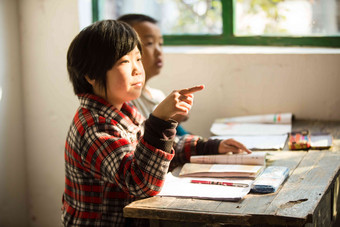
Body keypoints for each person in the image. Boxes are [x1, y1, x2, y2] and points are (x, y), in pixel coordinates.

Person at [62, 19, 251, 227]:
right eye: (124, 62)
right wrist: (160, 120)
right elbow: (141, 182)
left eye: (138, 59)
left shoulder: (123, 110)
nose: (137, 70)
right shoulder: (93, 126)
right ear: (90, 74)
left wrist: (209, 146)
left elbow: (152, 150)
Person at [117, 14, 190, 136]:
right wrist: (167, 121)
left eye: (160, 44)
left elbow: (182, 138)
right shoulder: (125, 101)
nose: (158, 51)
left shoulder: (157, 95)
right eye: (149, 43)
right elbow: (141, 145)